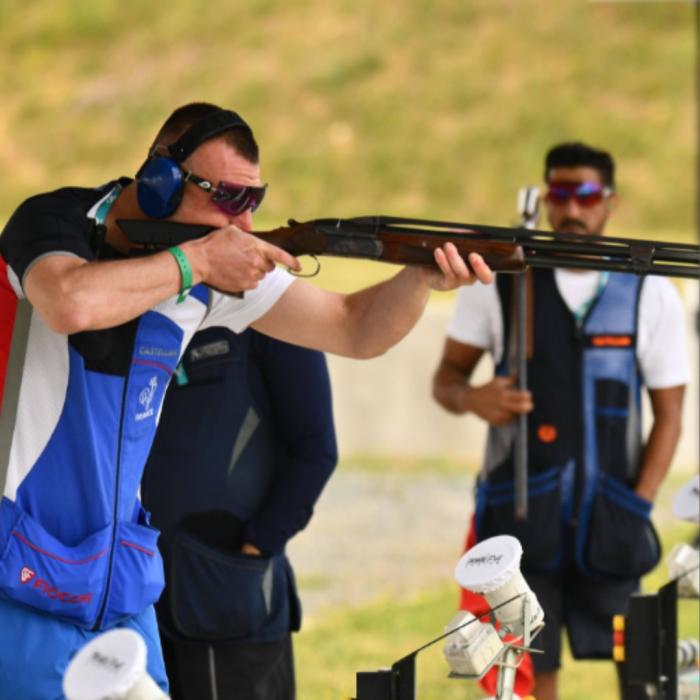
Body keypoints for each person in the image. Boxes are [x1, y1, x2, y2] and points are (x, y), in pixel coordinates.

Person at [0, 101, 492, 699]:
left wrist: (419, 278)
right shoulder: (55, 219)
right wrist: (200, 260)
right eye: (227, 197)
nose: (243, 221)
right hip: (20, 574)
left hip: (120, 584)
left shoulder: (204, 272)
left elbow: (353, 328)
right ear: (159, 181)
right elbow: (68, 302)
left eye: (252, 201)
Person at [432, 142, 689, 700]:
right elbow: (446, 382)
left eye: (586, 195)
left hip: (613, 520)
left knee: (642, 672)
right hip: (521, 516)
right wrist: (475, 399)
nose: (571, 209)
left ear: (610, 202)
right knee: (529, 674)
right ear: (546, 197)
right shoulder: (498, 281)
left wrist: (637, 505)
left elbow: (670, 414)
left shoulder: (651, 291)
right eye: (560, 193)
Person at [140, 326, 337, 700]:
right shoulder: (153, 304)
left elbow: (316, 452)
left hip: (229, 589)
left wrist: (257, 546)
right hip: (144, 593)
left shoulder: (276, 312)